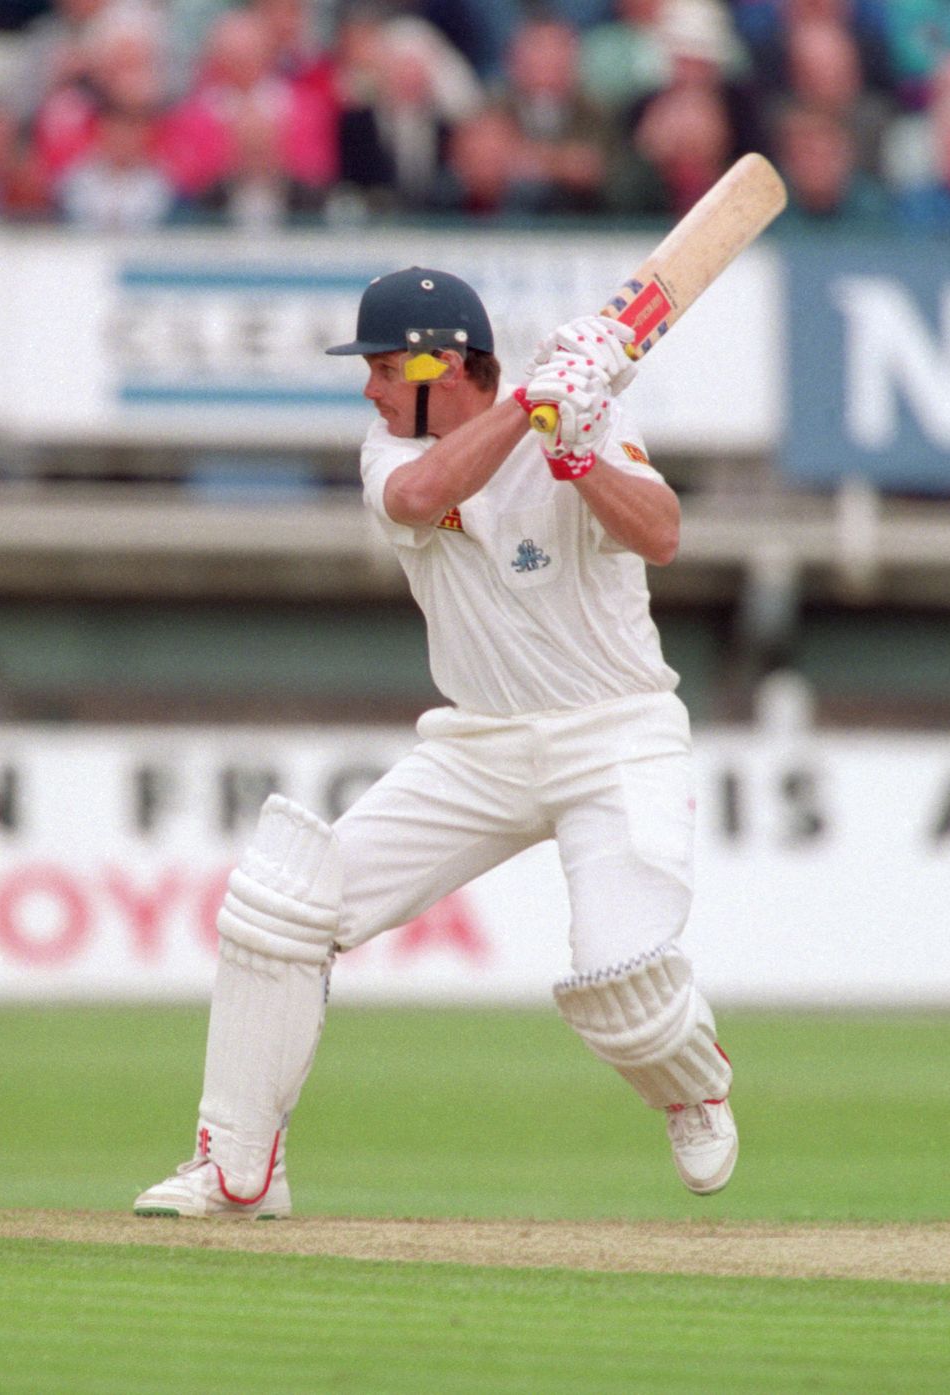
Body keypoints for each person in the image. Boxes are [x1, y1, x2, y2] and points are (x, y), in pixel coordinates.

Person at [133, 267, 737, 1218]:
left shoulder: (589, 420)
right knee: (284, 903)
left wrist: (581, 455)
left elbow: (661, 535)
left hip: (615, 735)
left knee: (621, 985)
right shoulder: (392, 448)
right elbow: (421, 495)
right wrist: (533, 407)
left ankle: (692, 1086)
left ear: (440, 365)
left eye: (384, 367)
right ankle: (238, 1169)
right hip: (479, 744)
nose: (369, 389)